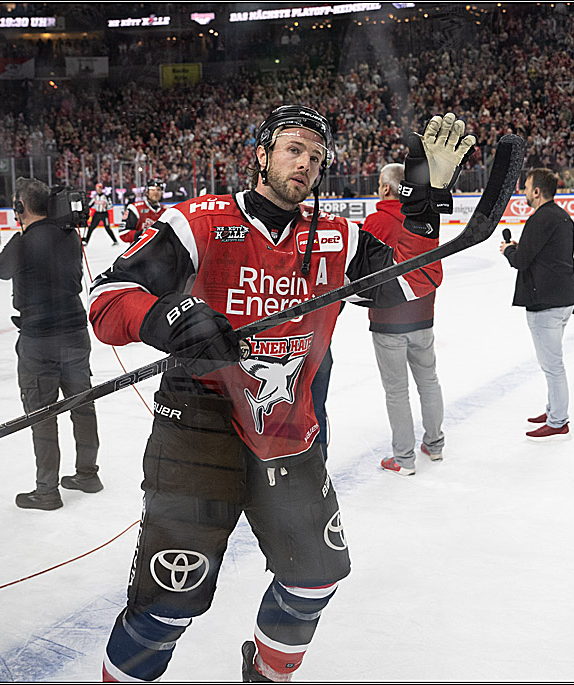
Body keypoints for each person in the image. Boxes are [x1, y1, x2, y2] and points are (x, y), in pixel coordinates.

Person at [88, 106, 474, 682]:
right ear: (262, 154)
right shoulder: (197, 222)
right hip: (198, 428)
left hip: (289, 435)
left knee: (314, 575)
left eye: (316, 157)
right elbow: (109, 296)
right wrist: (167, 315)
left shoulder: (337, 239)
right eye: (293, 149)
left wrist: (421, 207)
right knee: (169, 604)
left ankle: (267, 675)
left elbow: (409, 287)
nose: (306, 164)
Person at [0, 177, 101, 511]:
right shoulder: (68, 234)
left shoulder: (23, 243)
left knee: (42, 413)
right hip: (75, 332)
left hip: (39, 339)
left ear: (19, 207)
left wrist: (24, 232)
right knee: (83, 403)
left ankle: (47, 490)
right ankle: (88, 473)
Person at [363, 163, 445, 476]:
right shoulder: (422, 218)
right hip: (424, 315)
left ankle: (404, 458)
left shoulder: (375, 222)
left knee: (397, 392)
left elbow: (363, 272)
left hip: (388, 321)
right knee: (429, 380)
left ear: (385, 188)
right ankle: (435, 445)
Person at [499, 168, 574, 441]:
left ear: (537, 191)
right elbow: (549, 254)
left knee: (552, 365)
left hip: (546, 303)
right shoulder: (561, 217)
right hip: (564, 298)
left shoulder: (539, 219)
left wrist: (509, 250)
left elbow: (521, 261)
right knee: (552, 362)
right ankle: (552, 409)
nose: (523, 192)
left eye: (526, 188)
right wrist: (524, 249)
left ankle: (558, 420)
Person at [118, 178, 165, 244]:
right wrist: (144, 234)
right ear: (147, 192)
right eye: (152, 189)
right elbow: (123, 233)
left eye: (159, 190)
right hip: (141, 252)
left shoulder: (166, 211)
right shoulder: (135, 208)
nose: (156, 192)